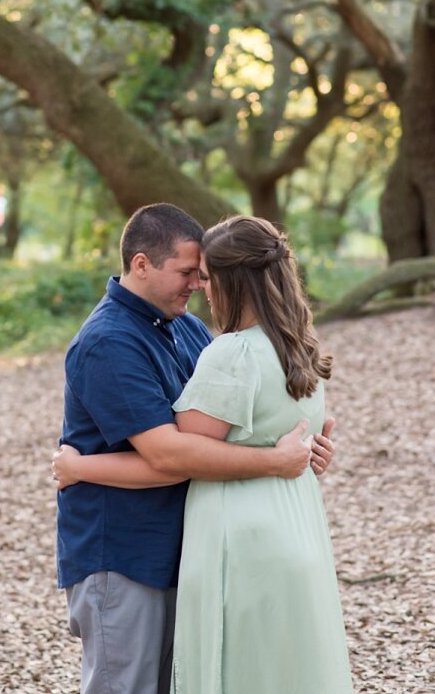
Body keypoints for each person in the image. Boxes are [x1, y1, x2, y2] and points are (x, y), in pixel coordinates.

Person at [54, 215, 352, 693]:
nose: (197, 284)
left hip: (189, 550)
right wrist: (277, 460)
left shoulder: (190, 329)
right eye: (187, 272)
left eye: (204, 274)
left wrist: (298, 447)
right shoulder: (108, 342)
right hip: (125, 554)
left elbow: (227, 428)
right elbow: (170, 454)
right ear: (142, 264)